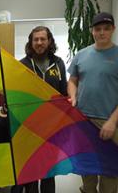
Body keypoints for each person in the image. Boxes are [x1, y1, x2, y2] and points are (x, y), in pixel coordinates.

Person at [12, 26, 67, 193]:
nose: (39, 43)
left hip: (52, 128)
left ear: (49, 41)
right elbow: (16, 95)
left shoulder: (58, 63)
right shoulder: (22, 65)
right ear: (31, 42)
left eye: (43, 39)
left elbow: (63, 92)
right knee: (31, 169)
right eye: (35, 39)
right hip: (29, 126)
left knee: (49, 170)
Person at [68, 12, 118, 193]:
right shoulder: (81, 55)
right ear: (92, 31)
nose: (102, 32)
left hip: (110, 122)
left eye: (106, 28)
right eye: (98, 29)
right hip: (83, 120)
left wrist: (112, 122)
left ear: (113, 29)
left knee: (110, 169)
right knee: (87, 166)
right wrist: (73, 97)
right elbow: (72, 80)